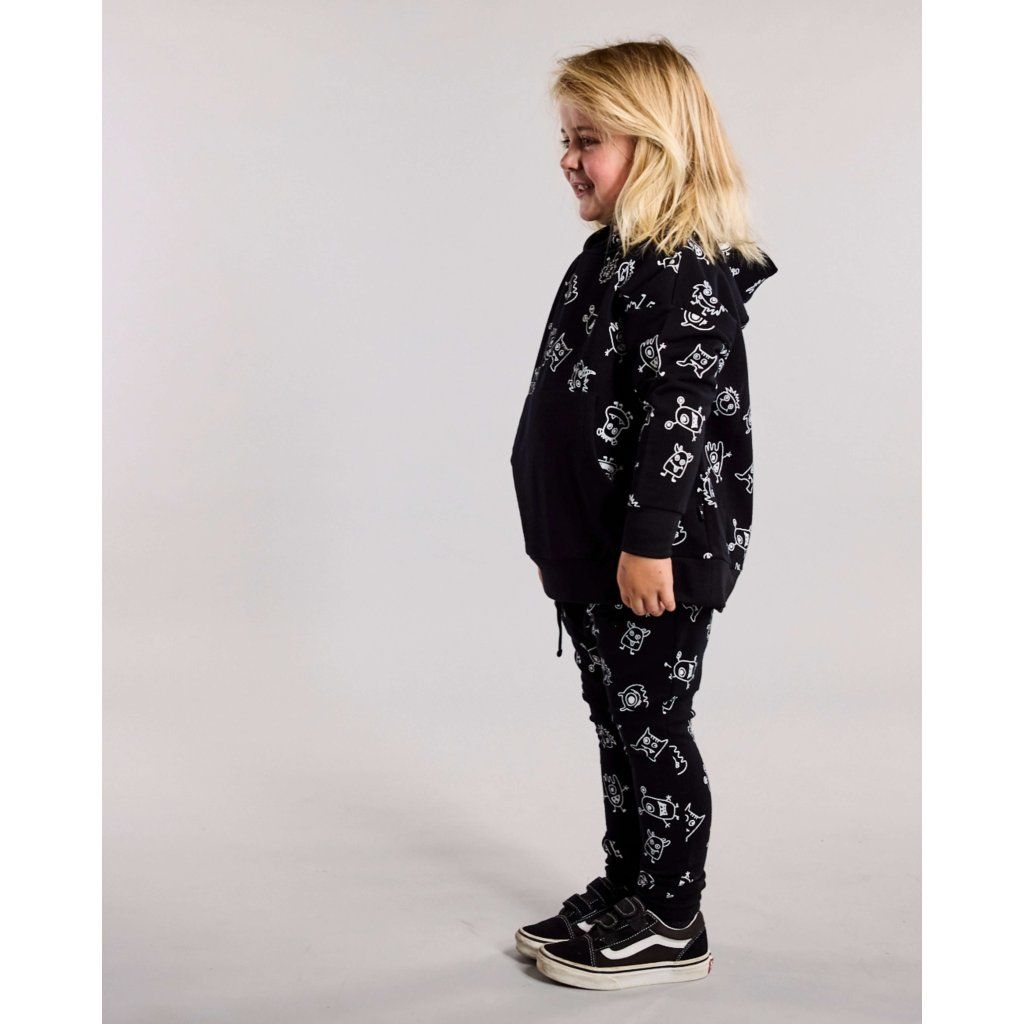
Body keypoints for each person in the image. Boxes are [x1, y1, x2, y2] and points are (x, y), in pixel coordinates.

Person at [509, 38, 779, 990]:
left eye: (589, 139)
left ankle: (671, 914)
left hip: (651, 555)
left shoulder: (685, 274)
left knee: (652, 723)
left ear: (655, 147)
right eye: (566, 139)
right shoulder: (607, 263)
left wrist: (649, 540)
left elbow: (680, 415)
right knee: (618, 721)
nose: (568, 159)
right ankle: (629, 889)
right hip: (595, 551)